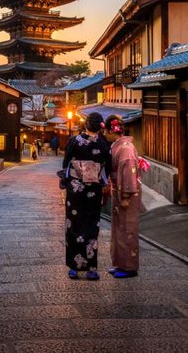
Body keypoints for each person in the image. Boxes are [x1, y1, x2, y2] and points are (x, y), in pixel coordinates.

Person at [61, 112, 111, 280]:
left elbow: (66, 162)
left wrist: (68, 179)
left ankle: (74, 268)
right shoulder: (104, 144)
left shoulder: (74, 141)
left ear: (86, 125)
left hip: (75, 190)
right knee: (91, 226)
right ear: (100, 127)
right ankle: (91, 268)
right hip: (93, 190)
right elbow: (107, 167)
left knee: (73, 225)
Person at [104, 114, 142, 279]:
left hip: (127, 193)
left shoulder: (125, 149)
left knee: (128, 229)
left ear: (112, 130)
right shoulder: (117, 145)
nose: (104, 134)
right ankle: (119, 263)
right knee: (118, 228)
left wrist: (125, 196)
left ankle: (129, 267)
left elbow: (128, 174)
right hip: (118, 191)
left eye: (105, 131)